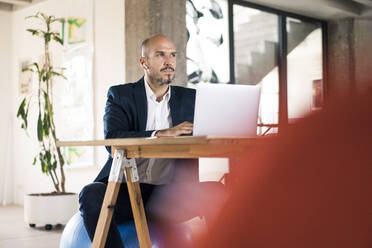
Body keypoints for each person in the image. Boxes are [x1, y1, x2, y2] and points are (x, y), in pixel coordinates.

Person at [79, 34, 226, 248]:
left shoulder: (192, 99)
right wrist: (161, 133)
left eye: (173, 55)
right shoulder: (121, 95)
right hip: (126, 192)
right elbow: (113, 139)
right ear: (143, 62)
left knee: (219, 192)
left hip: (170, 195)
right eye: (160, 55)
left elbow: (211, 131)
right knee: (91, 194)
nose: (169, 61)